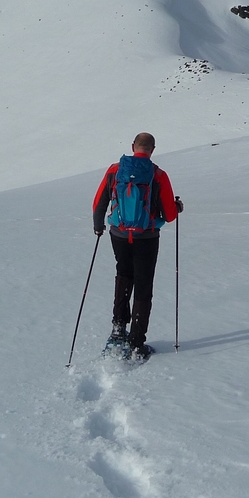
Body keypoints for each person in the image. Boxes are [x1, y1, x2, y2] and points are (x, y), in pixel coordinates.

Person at [93, 132, 183, 359]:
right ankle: (136, 343)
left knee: (123, 275)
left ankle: (118, 330)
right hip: (147, 237)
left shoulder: (115, 169)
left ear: (133, 146)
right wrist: (177, 207)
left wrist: (98, 226)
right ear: (152, 149)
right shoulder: (158, 175)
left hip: (119, 234)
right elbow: (169, 215)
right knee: (143, 286)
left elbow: (99, 200)